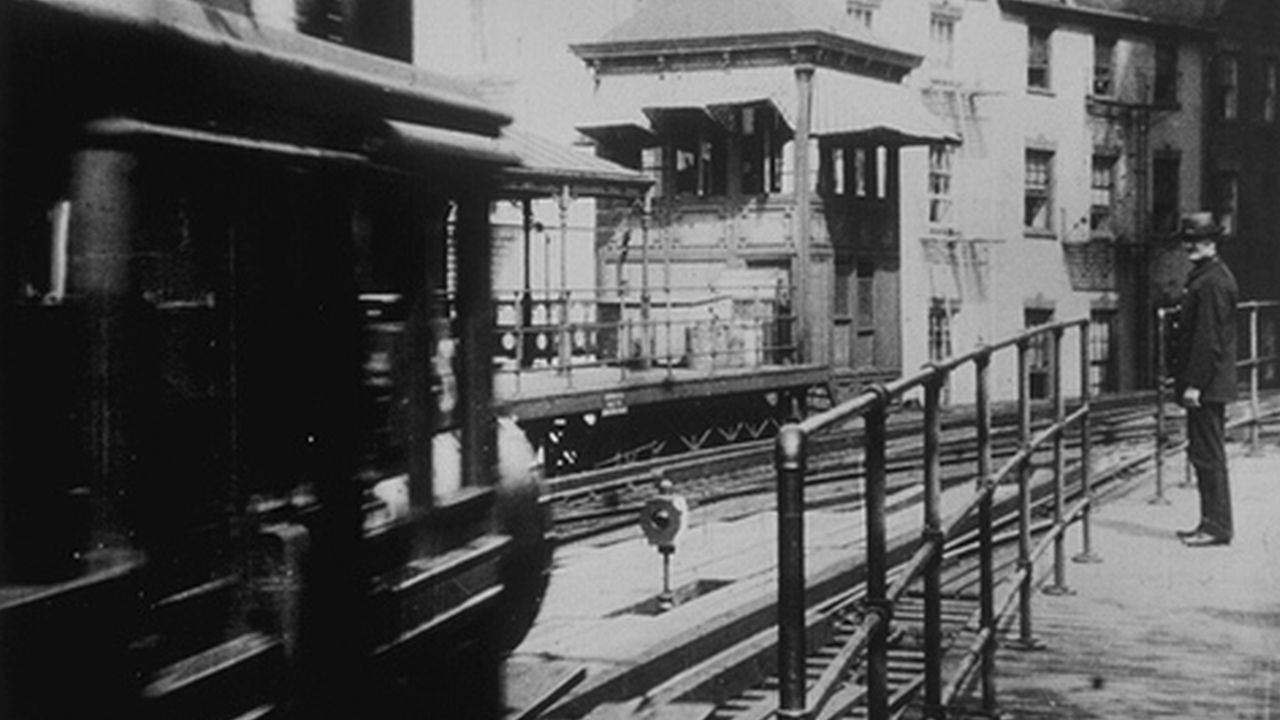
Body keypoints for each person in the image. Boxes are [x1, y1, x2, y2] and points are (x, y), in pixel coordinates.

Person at [1171, 212, 1238, 547]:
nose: (1188, 248)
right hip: (1208, 383)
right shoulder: (1207, 276)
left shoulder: (1211, 281)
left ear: (1211, 243)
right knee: (1204, 454)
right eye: (1187, 242)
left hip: (1207, 385)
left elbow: (1207, 339)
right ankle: (1209, 523)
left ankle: (1217, 528)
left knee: (1209, 456)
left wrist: (1194, 383)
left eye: (1194, 242)